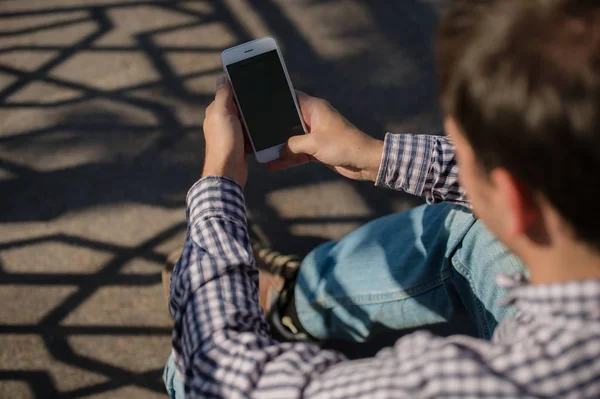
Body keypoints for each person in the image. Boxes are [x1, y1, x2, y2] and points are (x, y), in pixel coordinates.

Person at [163, 0, 600, 397]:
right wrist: (377, 156)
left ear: (513, 198)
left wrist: (218, 180)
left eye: (459, 146)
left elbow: (217, 372)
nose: (455, 152)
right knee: (469, 221)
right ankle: (290, 301)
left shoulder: (476, 381)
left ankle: (277, 306)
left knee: (187, 367)